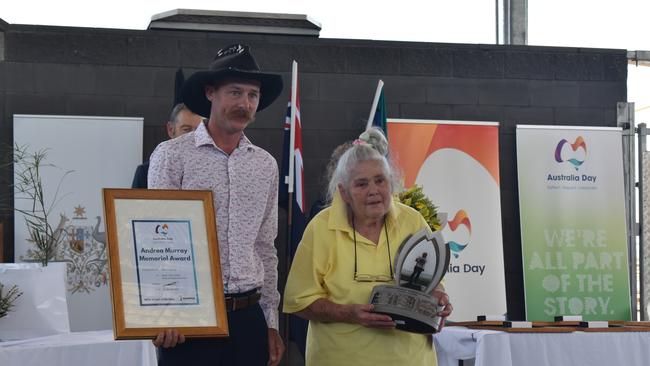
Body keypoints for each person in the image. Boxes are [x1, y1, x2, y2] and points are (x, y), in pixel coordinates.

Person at [147, 44, 285, 366]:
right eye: (235, 92)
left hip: (249, 319)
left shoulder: (265, 165)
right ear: (210, 93)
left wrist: (270, 321)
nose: (245, 103)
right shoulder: (172, 156)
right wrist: (161, 313)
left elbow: (266, 247)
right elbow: (154, 241)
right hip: (189, 319)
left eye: (252, 95)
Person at [283, 128, 452, 366]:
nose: (373, 190)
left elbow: (432, 280)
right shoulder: (321, 228)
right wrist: (349, 314)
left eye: (380, 180)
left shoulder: (412, 220)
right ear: (344, 192)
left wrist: (437, 298)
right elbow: (299, 302)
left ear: (391, 183)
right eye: (361, 184)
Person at [131, 103, 203, 188]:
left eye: (199, 130)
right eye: (186, 130)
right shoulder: (144, 172)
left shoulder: (210, 166)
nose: (193, 136)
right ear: (171, 130)